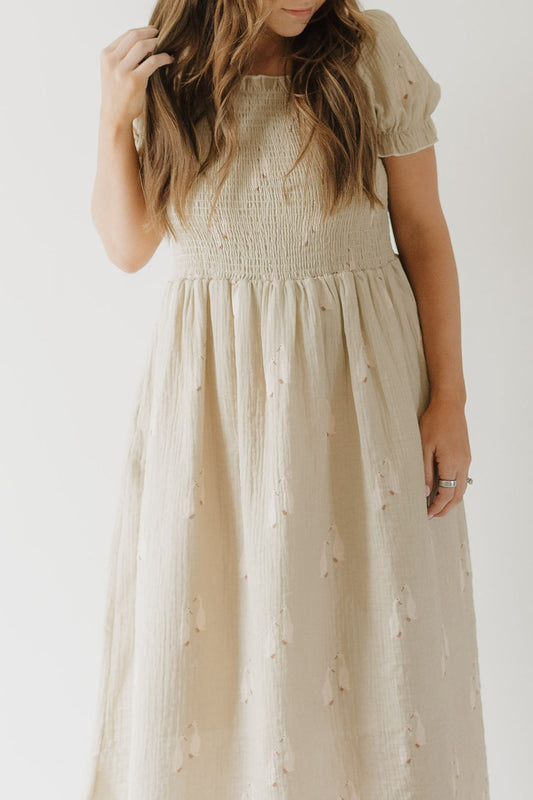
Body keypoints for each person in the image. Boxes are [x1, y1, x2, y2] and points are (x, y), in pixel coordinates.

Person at [84, 2, 490, 798]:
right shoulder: (166, 68)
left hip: (362, 395)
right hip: (213, 414)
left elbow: (423, 230)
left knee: (376, 643)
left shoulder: (367, 49)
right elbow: (128, 246)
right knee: (207, 647)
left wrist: (450, 401)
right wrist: (111, 118)